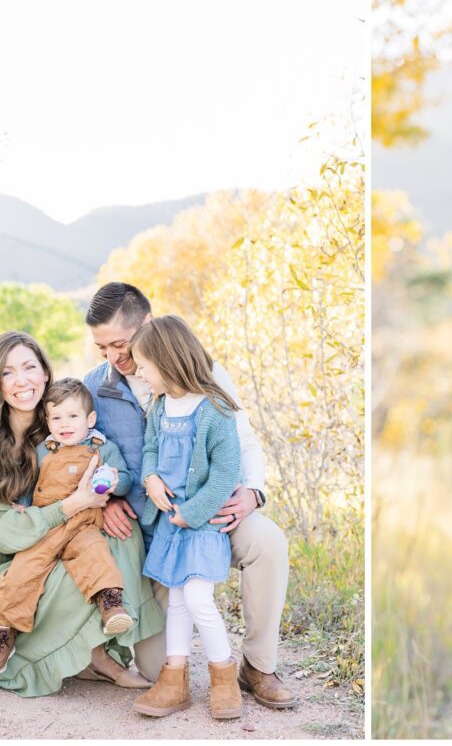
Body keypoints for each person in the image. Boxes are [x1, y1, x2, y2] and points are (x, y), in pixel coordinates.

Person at [82, 282, 295, 708]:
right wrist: (107, 499)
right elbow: (88, 452)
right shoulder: (94, 388)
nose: (114, 357)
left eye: (121, 344)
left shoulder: (206, 375)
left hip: (210, 511)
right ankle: (170, 676)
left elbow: (243, 441)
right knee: (155, 659)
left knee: (267, 541)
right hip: (150, 531)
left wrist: (253, 492)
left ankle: (257, 665)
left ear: (147, 324)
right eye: (102, 347)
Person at [0, 332, 161, 695]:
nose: (22, 381)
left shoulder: (59, 425)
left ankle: (99, 641)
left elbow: (95, 469)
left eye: (30, 367)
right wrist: (75, 505)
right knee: (79, 557)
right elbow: (6, 536)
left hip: (52, 543)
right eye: (7, 373)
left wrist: (107, 499)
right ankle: (85, 653)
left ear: (45, 373)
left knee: (120, 531)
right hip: (1, 571)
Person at [126, 316, 245, 719]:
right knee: (176, 601)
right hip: (169, 523)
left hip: (200, 525)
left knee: (197, 599)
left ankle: (223, 676)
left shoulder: (215, 409)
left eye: (143, 366)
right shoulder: (160, 407)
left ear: (167, 361)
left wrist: (190, 515)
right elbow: (150, 451)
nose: (139, 373)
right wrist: (151, 478)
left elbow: (227, 473)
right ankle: (174, 679)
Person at [0, 377, 135, 674]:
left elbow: (126, 479)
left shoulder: (103, 447)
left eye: (72, 416)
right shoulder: (44, 449)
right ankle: (5, 632)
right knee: (23, 570)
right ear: (47, 420)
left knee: (94, 552)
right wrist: (24, 503)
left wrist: (116, 483)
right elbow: (32, 483)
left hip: (83, 525)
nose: (64, 424)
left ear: (89, 419)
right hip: (49, 524)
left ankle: (111, 603)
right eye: (56, 417)